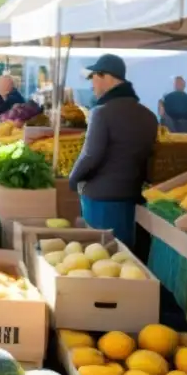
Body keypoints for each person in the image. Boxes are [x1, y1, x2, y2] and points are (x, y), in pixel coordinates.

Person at [69, 54, 158, 246]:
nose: (92, 85)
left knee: (100, 255)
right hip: (132, 196)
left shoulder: (101, 113)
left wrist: (73, 179)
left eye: (93, 77)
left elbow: (90, 155)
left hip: (101, 198)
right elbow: (150, 158)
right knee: (125, 258)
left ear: (106, 77)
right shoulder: (148, 115)